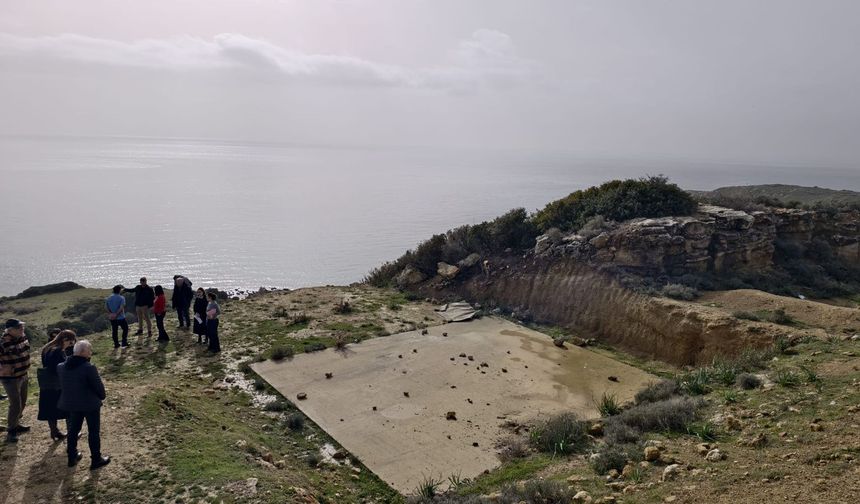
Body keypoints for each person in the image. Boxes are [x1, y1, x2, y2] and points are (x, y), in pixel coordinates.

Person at [57, 339, 110, 470]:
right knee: (93, 431)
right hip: (89, 405)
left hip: (71, 404)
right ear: (83, 352)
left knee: (73, 430)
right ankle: (96, 459)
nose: (90, 353)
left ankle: (72, 457)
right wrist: (101, 396)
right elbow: (99, 389)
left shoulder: (61, 367)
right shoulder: (88, 368)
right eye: (89, 350)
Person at [38, 329, 76, 440]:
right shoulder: (57, 351)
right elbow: (57, 368)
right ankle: (71, 433)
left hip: (47, 384)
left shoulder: (48, 347)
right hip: (57, 384)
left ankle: (54, 432)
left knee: (51, 409)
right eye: (70, 342)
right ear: (65, 339)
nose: (70, 345)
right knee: (69, 408)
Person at [1, 319, 31, 443]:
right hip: (10, 378)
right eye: (19, 327)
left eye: (22, 327)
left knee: (22, 402)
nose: (22, 329)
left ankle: (16, 423)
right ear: (10, 330)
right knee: (15, 405)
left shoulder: (22, 337)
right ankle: (11, 431)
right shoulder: (3, 343)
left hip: (23, 374)